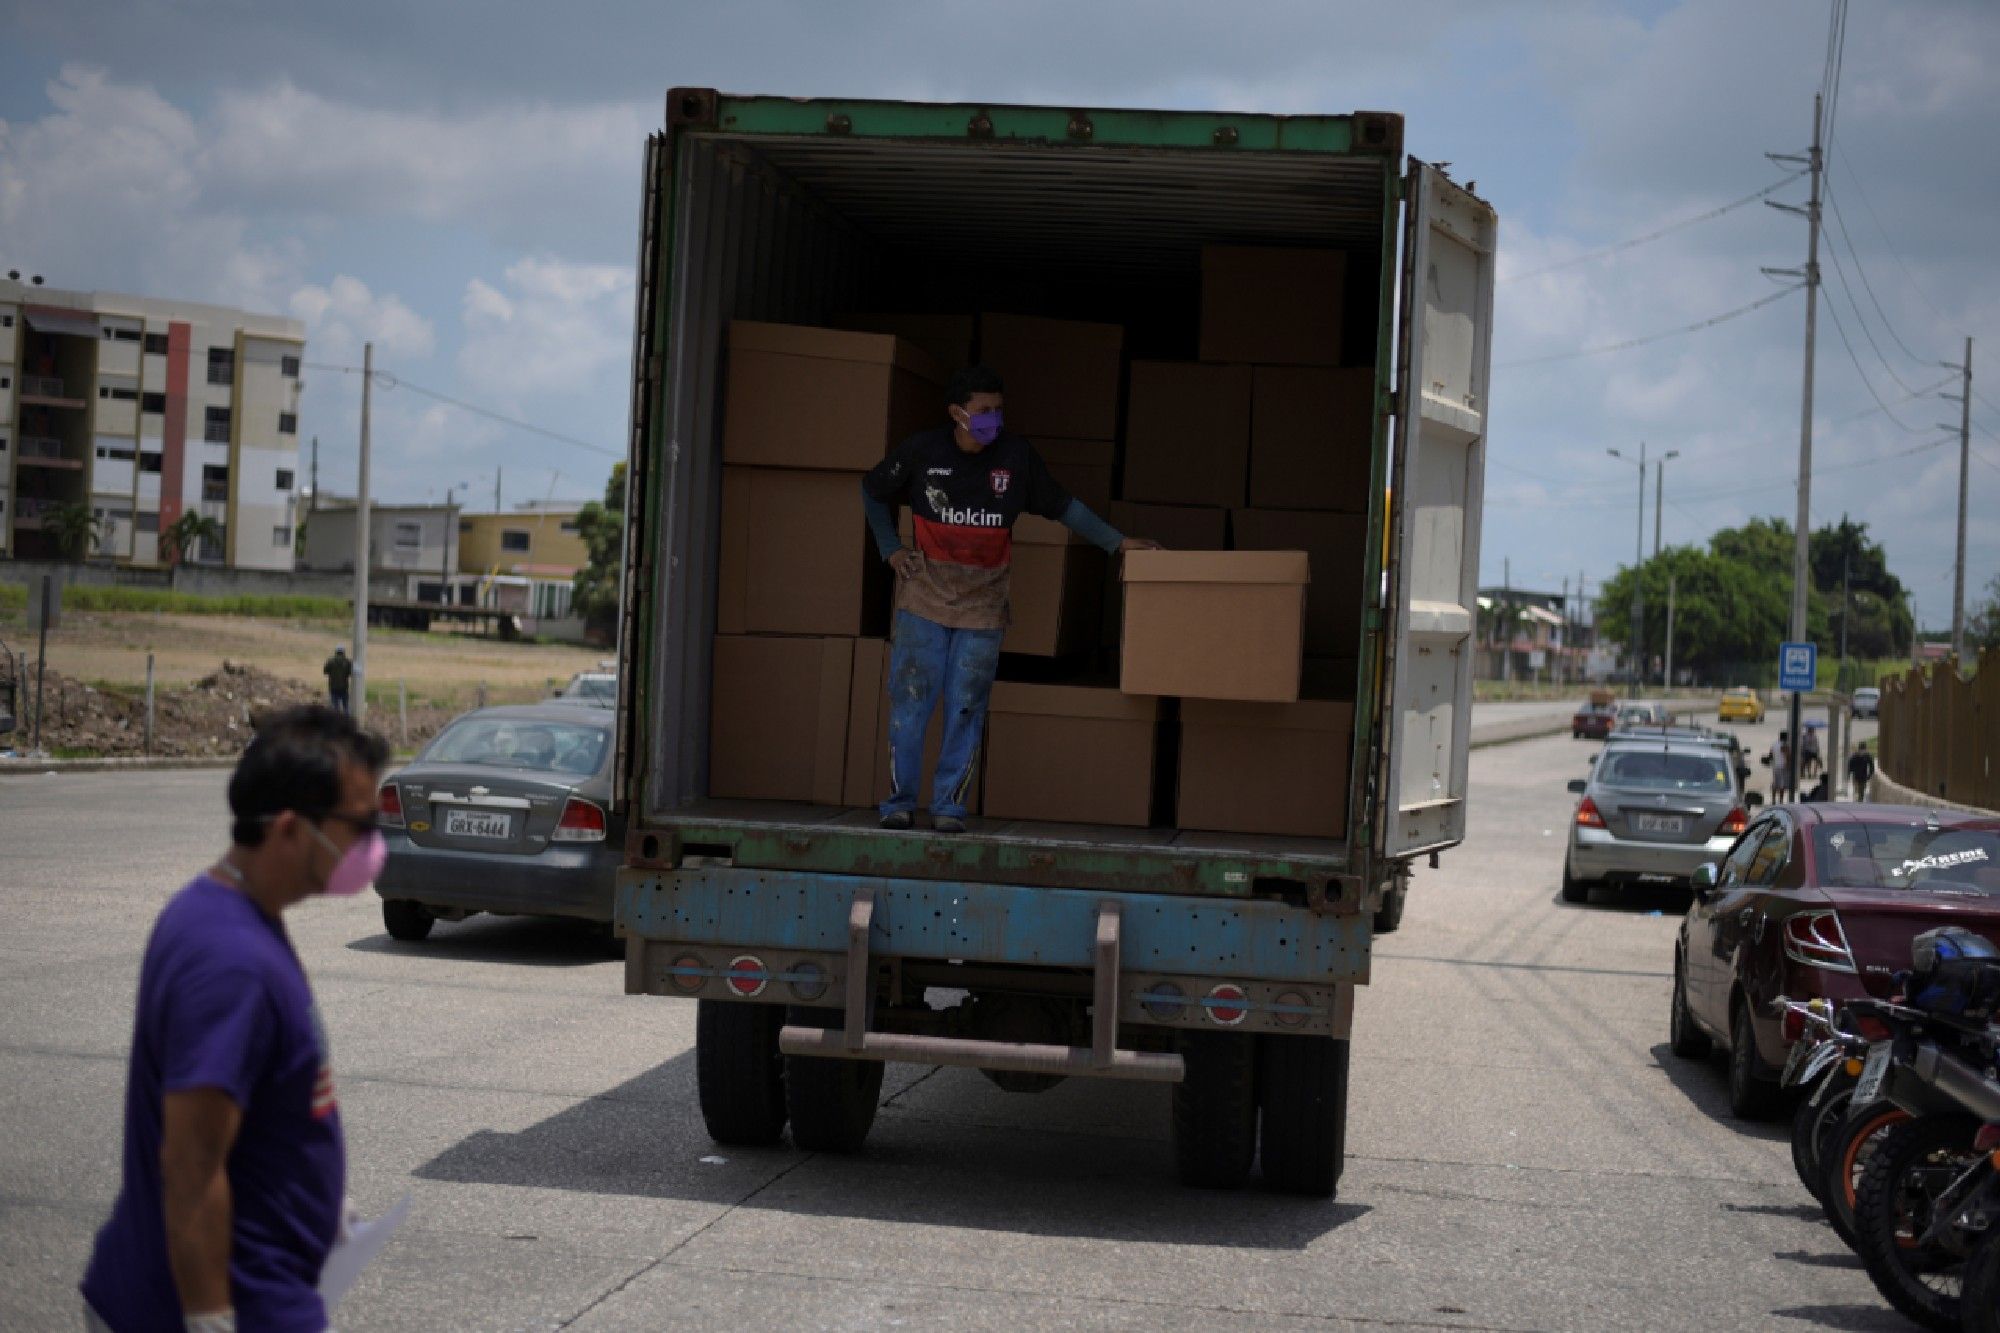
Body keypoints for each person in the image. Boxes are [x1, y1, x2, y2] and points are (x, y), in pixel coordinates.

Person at [81, 705, 389, 1332]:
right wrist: (209, 1316)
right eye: (359, 825)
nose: (371, 845)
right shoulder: (232, 963)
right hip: (236, 1304)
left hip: (271, 1284)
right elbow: (191, 1167)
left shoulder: (227, 911)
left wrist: (312, 1194)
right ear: (291, 827)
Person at [860, 364, 1158, 833]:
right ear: (957, 413)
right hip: (923, 603)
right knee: (910, 705)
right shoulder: (922, 450)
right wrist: (890, 549)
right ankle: (898, 803)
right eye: (984, 411)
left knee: (966, 707)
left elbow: (1063, 506)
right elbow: (873, 489)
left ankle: (948, 808)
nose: (993, 420)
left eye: (998, 410)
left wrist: (1117, 543)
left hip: (983, 609)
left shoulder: (1016, 457)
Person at [1763, 730, 1793, 804]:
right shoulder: (1784, 745)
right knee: (1782, 785)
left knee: (1775, 783)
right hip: (1783, 766)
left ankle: (1773, 800)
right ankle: (1781, 801)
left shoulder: (1774, 744)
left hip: (1775, 766)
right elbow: (1787, 756)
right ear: (1786, 738)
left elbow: (1770, 755)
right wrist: (1789, 766)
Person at [322, 646, 353, 715]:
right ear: (343, 652)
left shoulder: (330, 661)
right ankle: (346, 719)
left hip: (333, 687)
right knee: (346, 706)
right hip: (344, 687)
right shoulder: (347, 662)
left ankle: (337, 719)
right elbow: (350, 673)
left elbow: (325, 672)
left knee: (335, 707)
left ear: (336, 652)